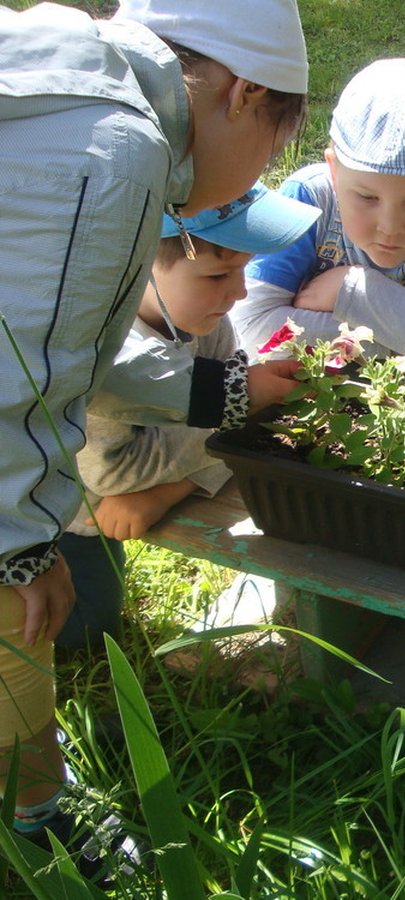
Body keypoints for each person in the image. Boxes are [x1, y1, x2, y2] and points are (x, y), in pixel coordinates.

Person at [0, 0, 307, 859]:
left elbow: (85, 347)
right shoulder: (125, 150)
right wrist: (20, 549)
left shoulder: (73, 65)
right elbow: (26, 373)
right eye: (273, 149)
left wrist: (231, 393)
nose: (253, 176)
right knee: (17, 621)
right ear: (243, 95)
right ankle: (41, 821)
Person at [57, 184, 320, 653]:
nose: (239, 293)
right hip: (61, 518)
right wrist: (242, 410)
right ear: (139, 268)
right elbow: (109, 473)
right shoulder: (107, 356)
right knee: (82, 636)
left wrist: (167, 492)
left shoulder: (208, 322)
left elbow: (234, 434)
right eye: (218, 275)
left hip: (112, 505)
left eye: (242, 271)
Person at [231, 57, 405, 408]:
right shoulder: (308, 200)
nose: (390, 226)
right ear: (334, 170)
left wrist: (354, 292)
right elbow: (251, 325)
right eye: (366, 197)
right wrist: (401, 342)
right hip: (310, 397)